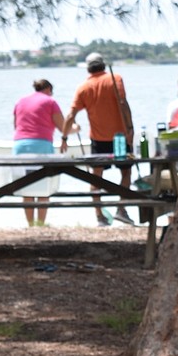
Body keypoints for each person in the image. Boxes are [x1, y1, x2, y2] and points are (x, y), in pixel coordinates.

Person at [62, 51, 135, 225]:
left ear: (88, 69)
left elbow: (71, 114)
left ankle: (99, 215)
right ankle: (121, 208)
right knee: (126, 172)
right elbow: (124, 105)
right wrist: (131, 128)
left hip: (98, 139)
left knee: (96, 176)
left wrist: (64, 137)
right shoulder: (114, 78)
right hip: (120, 137)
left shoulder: (84, 87)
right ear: (103, 64)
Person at [12, 78, 67, 226]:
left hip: (20, 146)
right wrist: (76, 128)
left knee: (26, 187)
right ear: (48, 89)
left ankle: (30, 225)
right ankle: (41, 224)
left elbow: (16, 125)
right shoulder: (50, 102)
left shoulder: (20, 101)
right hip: (42, 146)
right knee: (43, 187)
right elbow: (63, 127)